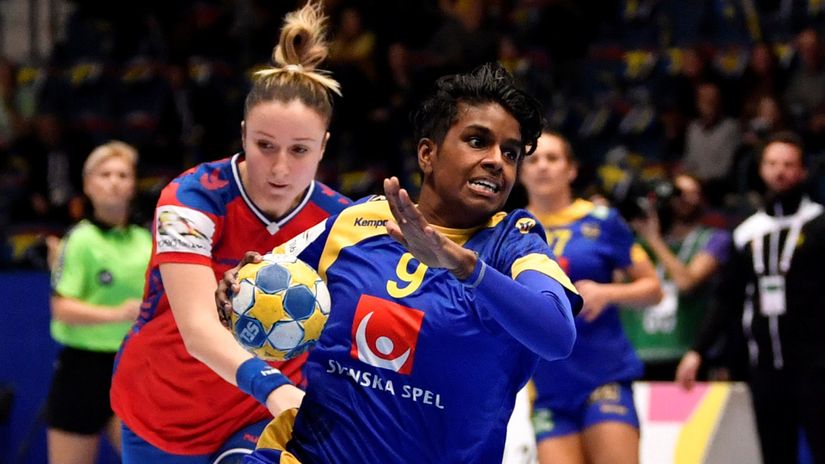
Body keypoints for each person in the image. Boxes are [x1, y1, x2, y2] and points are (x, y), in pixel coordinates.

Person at [218, 62, 583, 463]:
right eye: (478, 141)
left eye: (510, 153)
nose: (497, 160)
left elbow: (557, 336)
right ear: (428, 153)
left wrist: (464, 267)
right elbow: (264, 279)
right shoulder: (357, 221)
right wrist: (236, 287)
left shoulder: (514, 244)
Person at [109, 3, 351, 462]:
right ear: (243, 135)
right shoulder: (191, 198)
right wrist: (274, 386)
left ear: (323, 146)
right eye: (265, 145)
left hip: (259, 417)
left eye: (299, 150)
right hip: (164, 407)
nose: (280, 168)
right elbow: (199, 328)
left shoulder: (340, 221)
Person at [676, 131, 825, 464]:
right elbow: (727, 298)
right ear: (761, 169)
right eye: (772, 163)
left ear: (802, 171)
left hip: (815, 365)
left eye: (788, 164)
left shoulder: (819, 225)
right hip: (765, 367)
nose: (780, 171)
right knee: (774, 453)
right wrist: (698, 350)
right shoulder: (747, 231)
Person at [520, 129, 662, 464]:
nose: (542, 166)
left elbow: (653, 289)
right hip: (548, 387)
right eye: (533, 160)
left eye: (552, 158)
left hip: (604, 376)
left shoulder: (603, 221)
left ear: (571, 169)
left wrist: (607, 292)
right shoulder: (512, 230)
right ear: (520, 172)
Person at [46, 141, 151, 464]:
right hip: (83, 370)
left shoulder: (147, 240)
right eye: (105, 174)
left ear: (133, 185)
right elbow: (61, 308)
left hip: (134, 366)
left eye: (123, 175)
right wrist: (117, 313)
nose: (114, 181)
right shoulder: (79, 240)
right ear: (88, 185)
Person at [623, 173, 731, 380]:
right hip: (640, 351)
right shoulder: (636, 243)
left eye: (692, 193)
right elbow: (614, 279)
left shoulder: (714, 238)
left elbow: (686, 283)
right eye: (678, 193)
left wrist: (654, 239)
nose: (685, 200)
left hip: (685, 353)